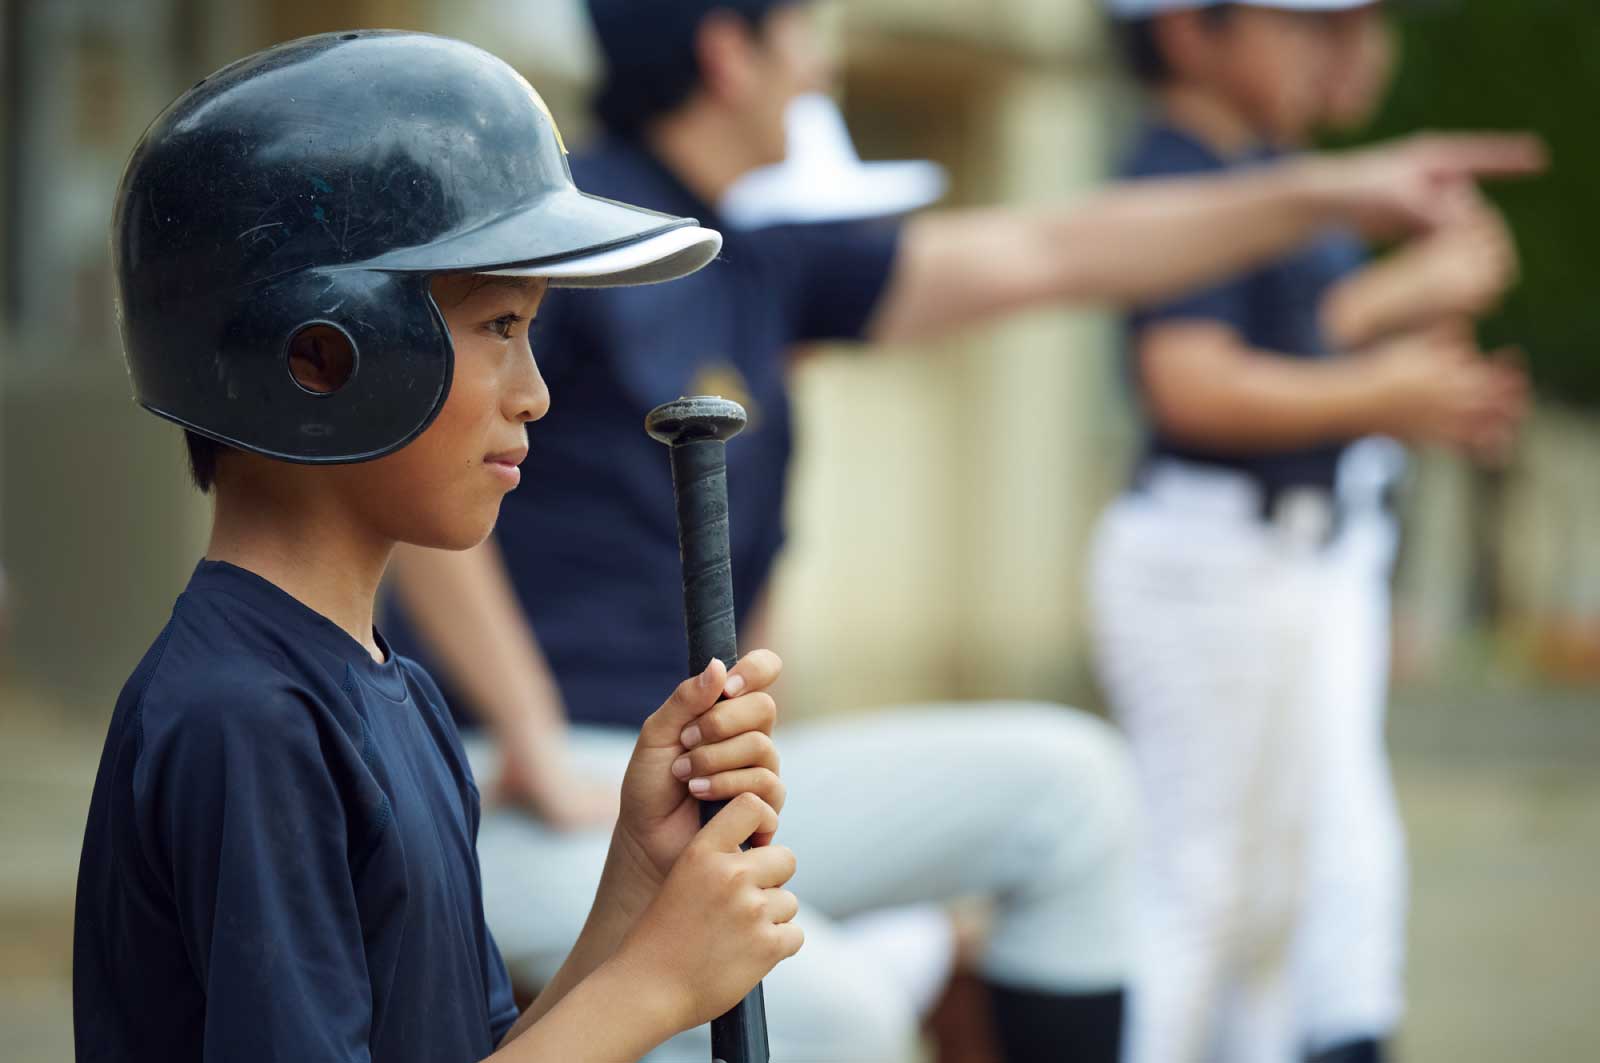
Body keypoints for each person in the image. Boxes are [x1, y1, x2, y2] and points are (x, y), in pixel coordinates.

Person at [381, 2, 1543, 1060]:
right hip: (527, 784)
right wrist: (528, 731)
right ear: (727, 53)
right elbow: (420, 483)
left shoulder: (754, 255)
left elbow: (1055, 251)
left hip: (690, 785)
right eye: (802, 36)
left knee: (1072, 788)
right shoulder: (565, 236)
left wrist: (1333, 193)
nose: (820, 69)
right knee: (844, 1012)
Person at [72, 31, 803, 1063]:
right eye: (499, 324)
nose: (535, 392)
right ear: (322, 354)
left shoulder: (390, 691)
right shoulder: (244, 719)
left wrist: (638, 886)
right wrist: (653, 985)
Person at [1088, 2, 1535, 1061]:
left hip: (1288, 548)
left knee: (1286, 898)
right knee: (1195, 889)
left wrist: (1402, 344)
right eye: (1291, 23)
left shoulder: (1268, 166)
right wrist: (1383, 381)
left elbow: (1295, 336)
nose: (1318, 46)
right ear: (1190, 32)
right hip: (1214, 554)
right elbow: (1186, 381)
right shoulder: (1176, 167)